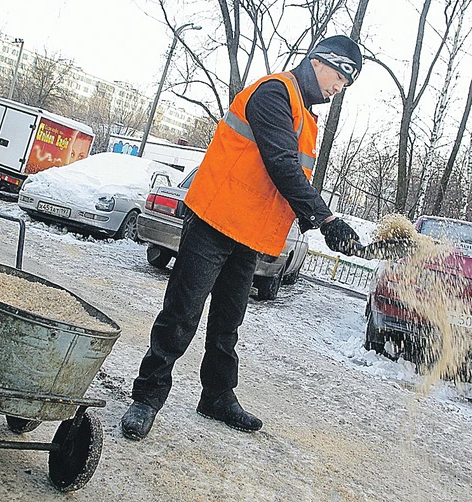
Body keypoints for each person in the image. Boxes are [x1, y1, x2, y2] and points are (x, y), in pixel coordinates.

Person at [121, 35, 364, 440]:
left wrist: (320, 221)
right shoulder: (275, 93)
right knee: (182, 314)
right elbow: (281, 164)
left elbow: (288, 176)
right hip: (216, 219)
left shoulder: (306, 115)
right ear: (319, 61)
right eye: (339, 76)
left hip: (248, 232)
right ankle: (147, 398)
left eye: (346, 83)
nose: (339, 88)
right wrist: (325, 219)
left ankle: (216, 396)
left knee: (227, 323)